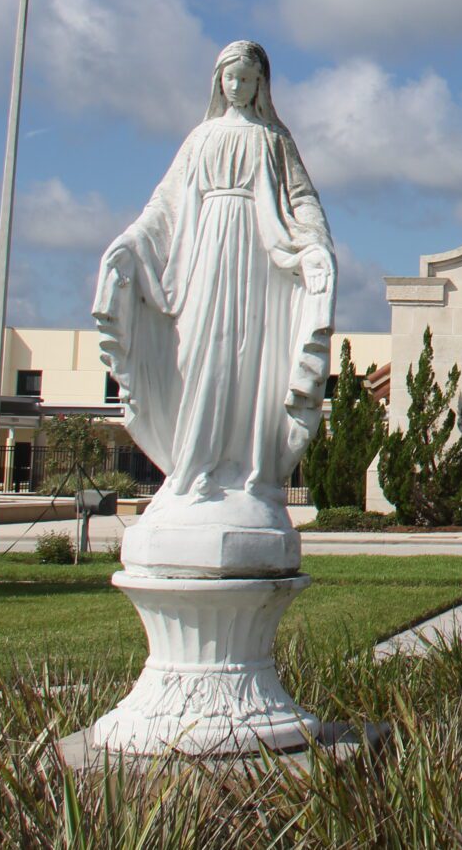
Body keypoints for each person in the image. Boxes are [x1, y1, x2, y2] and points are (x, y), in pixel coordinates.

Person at [93, 41, 336, 523]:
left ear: (261, 85)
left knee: (247, 359)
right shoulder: (200, 139)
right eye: (231, 78)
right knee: (199, 352)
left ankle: (244, 469)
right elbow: (164, 208)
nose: (238, 87)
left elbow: (302, 199)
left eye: (248, 80)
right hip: (205, 257)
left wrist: (316, 247)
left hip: (259, 259)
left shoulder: (274, 141)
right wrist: (130, 243)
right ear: (218, 81)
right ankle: (193, 466)